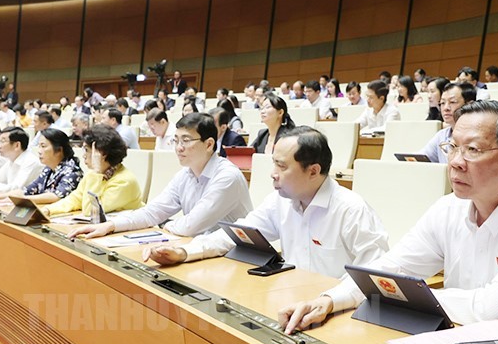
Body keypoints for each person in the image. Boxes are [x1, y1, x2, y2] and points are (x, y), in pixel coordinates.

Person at [278, 101, 498, 344]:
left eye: (472, 150)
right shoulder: (448, 208)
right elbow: (389, 268)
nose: (455, 161)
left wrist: (408, 297)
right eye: (452, 147)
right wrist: (329, 300)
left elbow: (495, 309)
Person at [140, 126, 389, 279]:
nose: (272, 174)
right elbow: (234, 235)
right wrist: (185, 252)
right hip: (291, 297)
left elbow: (376, 275)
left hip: (335, 310)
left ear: (313, 171)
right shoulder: (279, 202)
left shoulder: (351, 210)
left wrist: (329, 300)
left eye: (281, 166)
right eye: (273, 164)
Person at [69, 113, 253, 240]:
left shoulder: (227, 177)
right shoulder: (185, 175)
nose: (178, 147)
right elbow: (152, 211)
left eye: (186, 141)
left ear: (209, 144)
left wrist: (163, 225)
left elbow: (191, 226)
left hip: (234, 255)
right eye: (176, 140)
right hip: (198, 247)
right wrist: (110, 226)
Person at [42, 125, 144, 217]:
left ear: (102, 153)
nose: (84, 155)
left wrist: (96, 172)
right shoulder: (93, 174)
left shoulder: (124, 181)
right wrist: (48, 210)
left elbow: (91, 211)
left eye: (87, 150)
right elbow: (75, 199)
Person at [0, 128, 83, 205]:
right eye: (39, 146)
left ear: (59, 150)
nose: (39, 151)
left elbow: (56, 196)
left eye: (43, 146)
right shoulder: (48, 169)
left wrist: (21, 200)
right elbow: (26, 190)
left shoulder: (72, 170)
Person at [0, 127, 43, 199]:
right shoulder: (11, 160)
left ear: (17, 145)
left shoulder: (31, 161)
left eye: (3, 141)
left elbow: (16, 189)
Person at [419, 81, 477, 162]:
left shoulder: (478, 136)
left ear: (469, 105)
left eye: (452, 102)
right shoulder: (441, 136)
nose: (446, 108)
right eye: (442, 103)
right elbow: (420, 158)